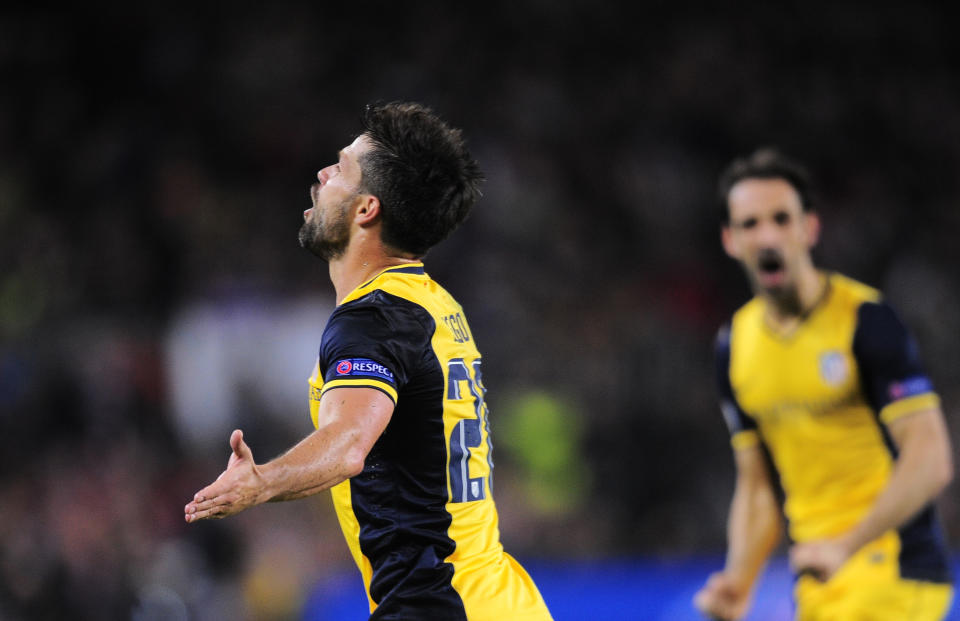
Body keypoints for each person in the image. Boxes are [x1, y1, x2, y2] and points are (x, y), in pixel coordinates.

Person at [184, 102, 553, 621]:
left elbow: (349, 443)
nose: (322, 174)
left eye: (340, 168)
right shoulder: (433, 304)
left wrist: (262, 481)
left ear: (366, 210)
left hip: (440, 605)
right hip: (497, 597)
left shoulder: (374, 319)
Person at [693, 149, 954, 620]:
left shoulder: (865, 321)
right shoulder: (735, 345)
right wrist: (739, 580)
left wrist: (847, 544)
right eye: (750, 224)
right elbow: (757, 487)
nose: (768, 235)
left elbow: (930, 458)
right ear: (730, 240)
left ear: (809, 229)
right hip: (818, 581)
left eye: (781, 218)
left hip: (892, 572)